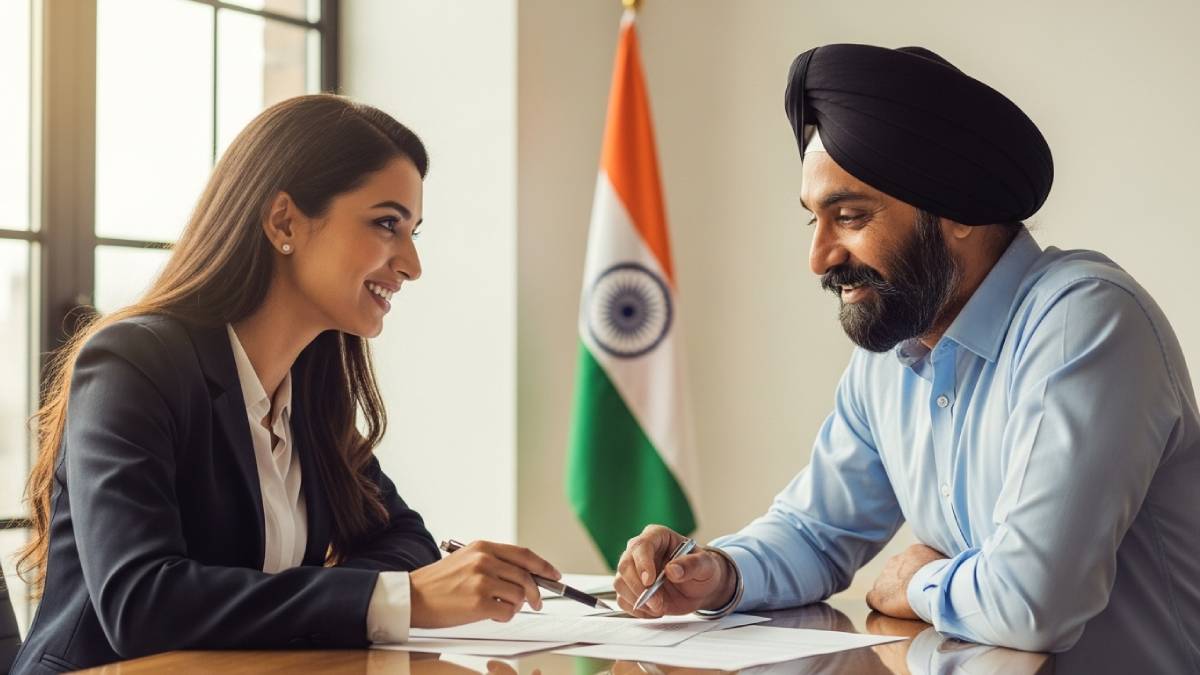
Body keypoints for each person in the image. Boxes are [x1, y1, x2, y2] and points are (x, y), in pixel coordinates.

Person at [614, 44, 1200, 673]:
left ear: (958, 211)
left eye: (850, 216)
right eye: (814, 220)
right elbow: (817, 532)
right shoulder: (895, 347)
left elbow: (1036, 603)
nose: (820, 258)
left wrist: (922, 579)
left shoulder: (1083, 322)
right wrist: (717, 572)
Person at [12, 95, 559, 674]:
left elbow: (406, 539)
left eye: (412, 231)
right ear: (284, 222)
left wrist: (327, 598)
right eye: (386, 224)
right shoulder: (135, 364)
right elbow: (141, 602)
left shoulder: (307, 390)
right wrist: (402, 599)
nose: (411, 264)